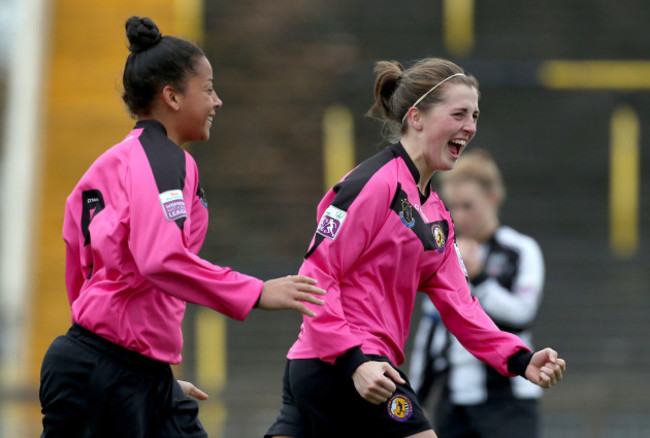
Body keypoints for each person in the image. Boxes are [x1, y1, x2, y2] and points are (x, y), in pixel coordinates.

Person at [39, 16, 326, 438]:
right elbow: (159, 260)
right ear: (172, 96)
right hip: (109, 374)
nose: (217, 101)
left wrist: (148, 372)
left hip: (119, 369)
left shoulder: (114, 162)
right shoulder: (164, 158)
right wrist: (256, 291)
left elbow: (80, 272)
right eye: (208, 89)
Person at [265, 58, 565, 438]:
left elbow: (460, 304)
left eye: (474, 115)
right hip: (344, 366)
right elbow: (315, 276)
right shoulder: (374, 184)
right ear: (417, 117)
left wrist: (519, 358)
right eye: (458, 114)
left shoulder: (436, 215)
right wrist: (355, 361)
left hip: (337, 365)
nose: (469, 127)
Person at [409, 148, 545, 438]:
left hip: (509, 403)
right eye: (453, 206)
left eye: (468, 206)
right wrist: (416, 397)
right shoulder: (444, 254)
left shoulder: (521, 249)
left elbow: (522, 313)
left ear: (492, 199)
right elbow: (430, 333)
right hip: (453, 402)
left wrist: (480, 277)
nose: (458, 215)